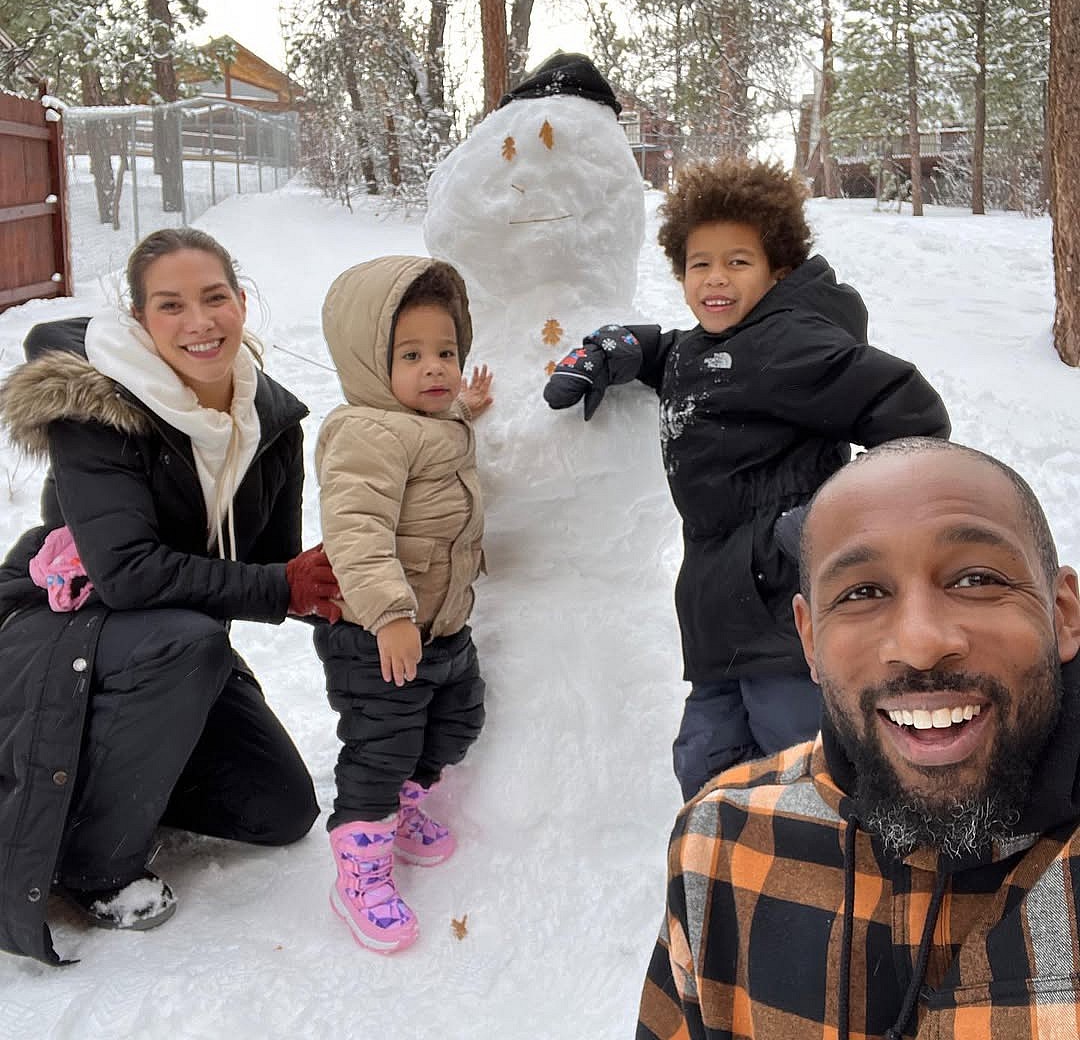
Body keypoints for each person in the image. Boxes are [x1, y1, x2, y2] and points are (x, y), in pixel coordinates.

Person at [637, 436, 1080, 1040]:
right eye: (862, 593)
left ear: (1063, 615)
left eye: (976, 579)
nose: (921, 642)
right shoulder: (719, 843)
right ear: (810, 640)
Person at [544, 157, 951, 800]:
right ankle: (727, 886)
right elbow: (670, 352)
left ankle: (829, 892)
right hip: (719, 615)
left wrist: (825, 526)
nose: (716, 278)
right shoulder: (706, 347)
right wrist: (611, 351)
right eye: (700, 263)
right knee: (706, 765)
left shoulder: (790, 343)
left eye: (739, 262)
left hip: (788, 616)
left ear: (778, 269)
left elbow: (917, 421)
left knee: (804, 778)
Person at [0, 227, 341, 967]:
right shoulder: (97, 406)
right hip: (64, 629)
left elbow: (271, 568)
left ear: (241, 303)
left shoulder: (268, 423)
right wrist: (280, 587)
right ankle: (91, 866)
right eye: (171, 305)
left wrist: (354, 576)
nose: (199, 321)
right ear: (139, 319)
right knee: (189, 639)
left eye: (215, 297)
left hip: (165, 656)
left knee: (280, 809)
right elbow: (124, 572)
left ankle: (119, 778)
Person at [313, 255, 492, 954]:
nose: (435, 368)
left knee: (457, 719)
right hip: (376, 634)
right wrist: (388, 614)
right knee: (381, 748)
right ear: (367, 361)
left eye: (445, 352)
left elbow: (440, 435)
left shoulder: (430, 422)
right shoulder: (366, 433)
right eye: (411, 355)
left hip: (442, 628)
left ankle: (405, 806)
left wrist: (463, 407)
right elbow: (356, 531)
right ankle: (360, 863)